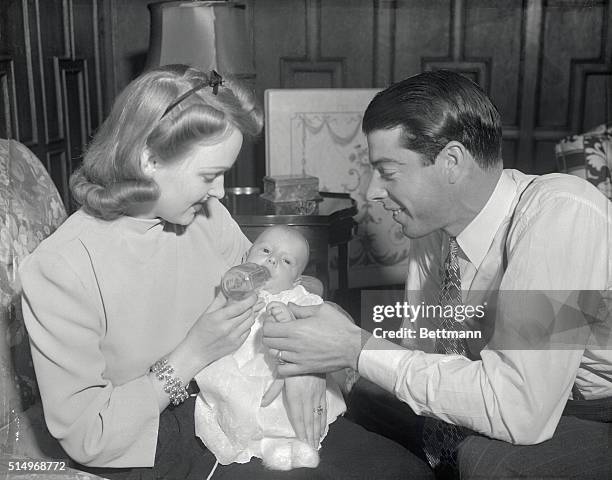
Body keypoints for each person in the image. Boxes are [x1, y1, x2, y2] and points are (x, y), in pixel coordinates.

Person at [19, 64, 432, 480]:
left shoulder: (206, 216)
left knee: (405, 471)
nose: (219, 193)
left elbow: (288, 286)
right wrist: (192, 354)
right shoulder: (60, 268)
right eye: (209, 175)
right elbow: (91, 437)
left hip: (247, 403)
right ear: (148, 159)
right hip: (156, 446)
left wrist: (303, 363)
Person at [262, 70, 612, 479]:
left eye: (389, 172)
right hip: (505, 387)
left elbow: (522, 412)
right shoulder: (433, 231)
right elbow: (423, 357)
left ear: (451, 161)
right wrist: (334, 341)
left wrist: (355, 347)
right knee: (356, 392)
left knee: (487, 462)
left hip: (586, 407)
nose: (373, 192)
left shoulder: (562, 213)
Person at [194, 225, 345, 471]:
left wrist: (291, 320)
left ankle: (299, 443)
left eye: (286, 261)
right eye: (265, 250)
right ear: (245, 258)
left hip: (282, 371)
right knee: (240, 404)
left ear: (296, 280)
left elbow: (323, 323)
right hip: (241, 368)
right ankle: (266, 447)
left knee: (290, 407)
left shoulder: (298, 298)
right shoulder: (235, 290)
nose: (273, 259)